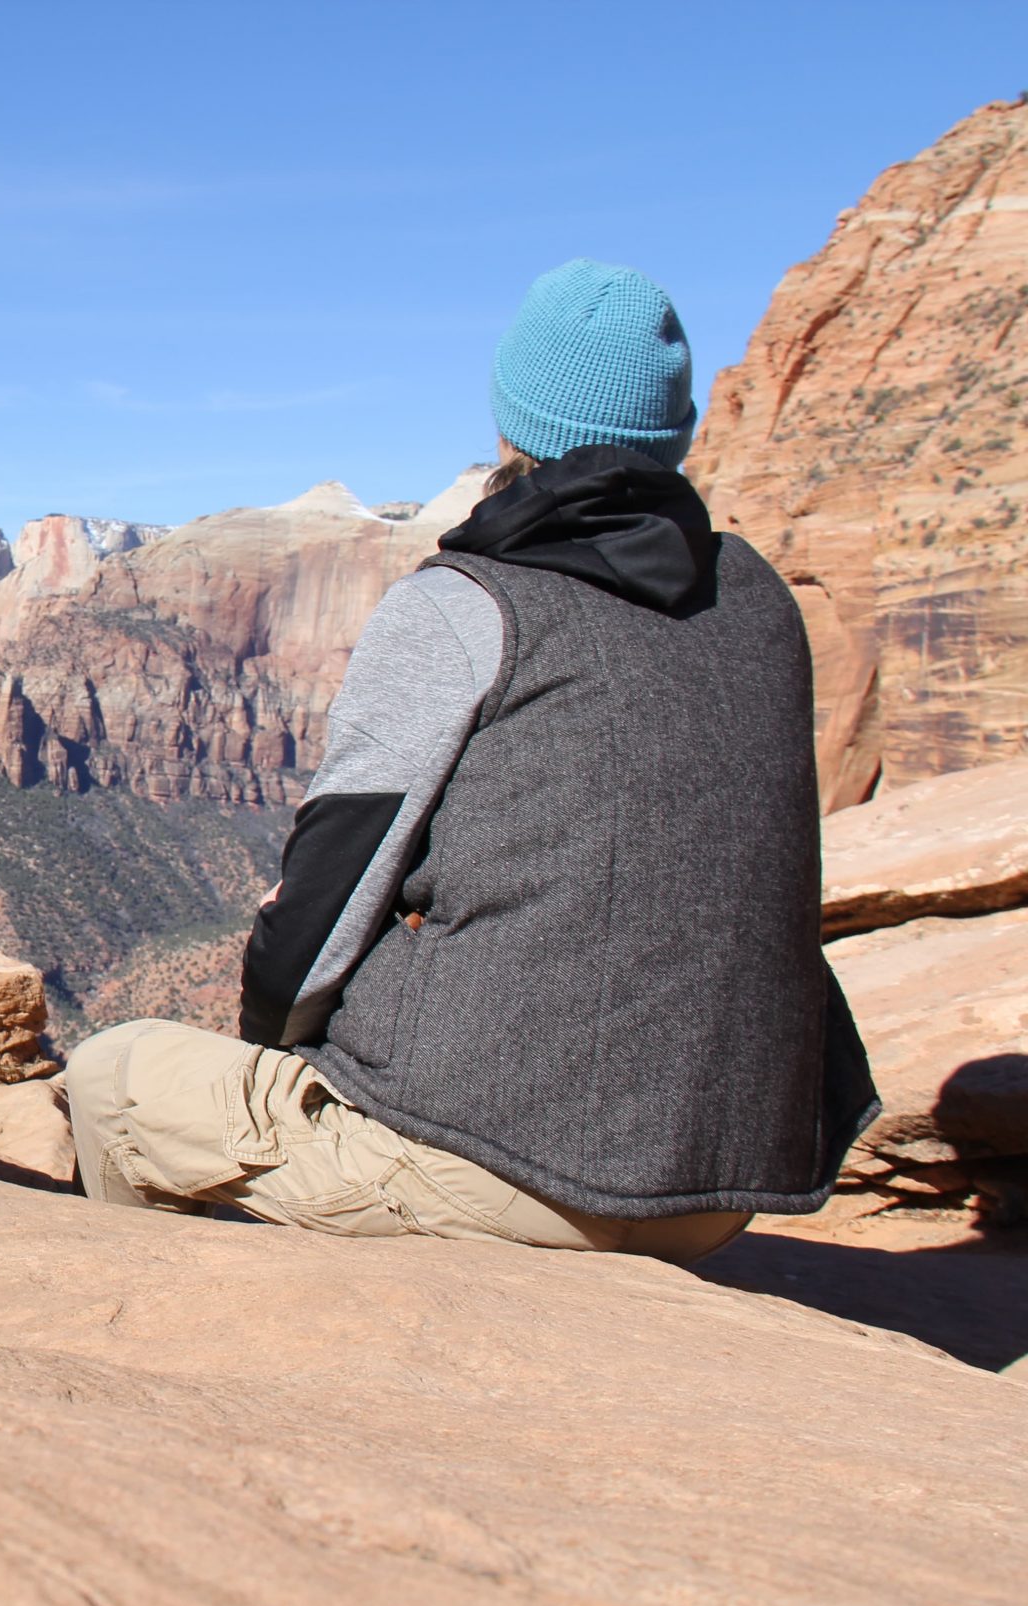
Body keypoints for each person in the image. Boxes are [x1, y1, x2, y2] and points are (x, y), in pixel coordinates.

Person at [65, 260, 878, 1259]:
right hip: (722, 1185)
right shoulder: (758, 601)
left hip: (508, 1169)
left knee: (114, 1075)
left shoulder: (465, 604)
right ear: (680, 430)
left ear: (508, 422)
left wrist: (278, 1057)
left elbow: (321, 911)